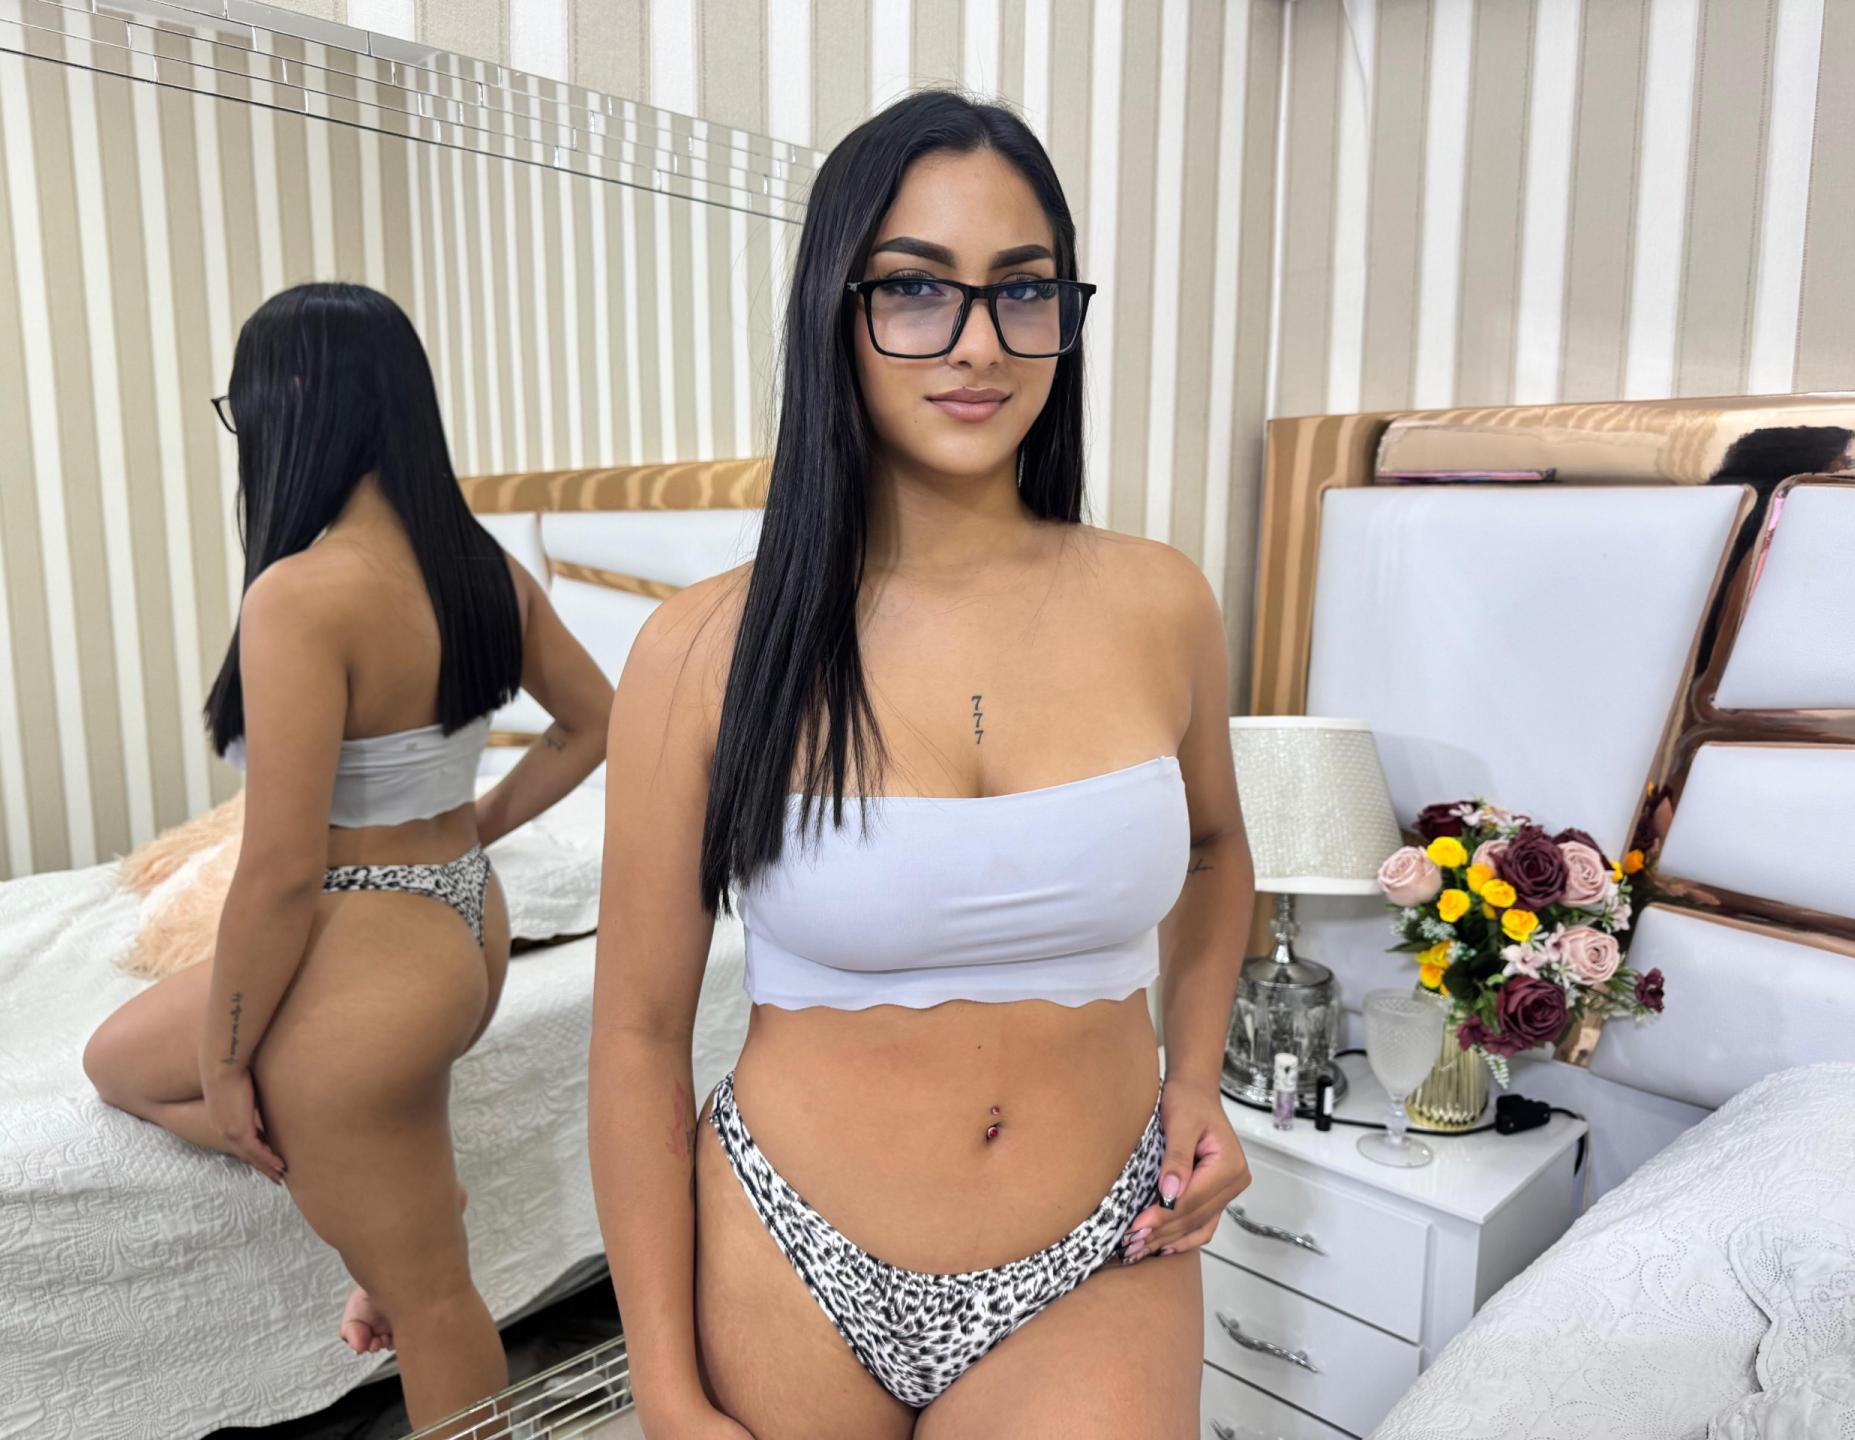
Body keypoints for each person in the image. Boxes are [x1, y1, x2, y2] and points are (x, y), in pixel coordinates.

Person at [590, 91, 1254, 1439]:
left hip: (1100, 1251)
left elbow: (1214, 851)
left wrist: (1197, 1078)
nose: (979, 345)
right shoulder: (702, 648)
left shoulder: (1161, 601)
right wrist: (662, 1388)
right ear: (836, 311)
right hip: (792, 1258)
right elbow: (638, 1036)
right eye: (915, 289)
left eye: (1024, 291)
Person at [83, 283, 613, 1437]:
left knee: (433, 1303)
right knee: (117, 1058)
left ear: (291, 405)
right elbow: (593, 722)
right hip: (461, 923)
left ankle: (399, 1225)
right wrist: (474, 829)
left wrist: (229, 1060)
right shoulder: (480, 567)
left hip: (374, 953)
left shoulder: (302, 594)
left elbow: (280, 871)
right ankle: (390, 1206)